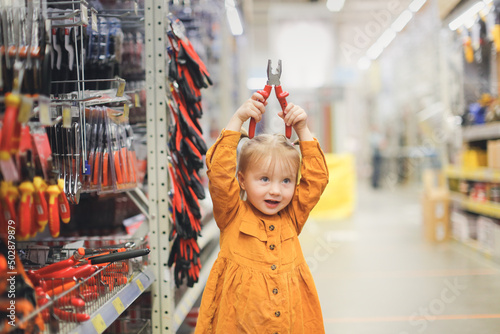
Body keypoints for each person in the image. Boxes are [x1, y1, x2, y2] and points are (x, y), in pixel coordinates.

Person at [195, 92, 329, 333]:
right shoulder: (231, 214)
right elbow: (219, 174)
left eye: (286, 180)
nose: (276, 191)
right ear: (242, 181)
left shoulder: (292, 215)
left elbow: (317, 179)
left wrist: (302, 130)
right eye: (264, 179)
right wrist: (237, 119)